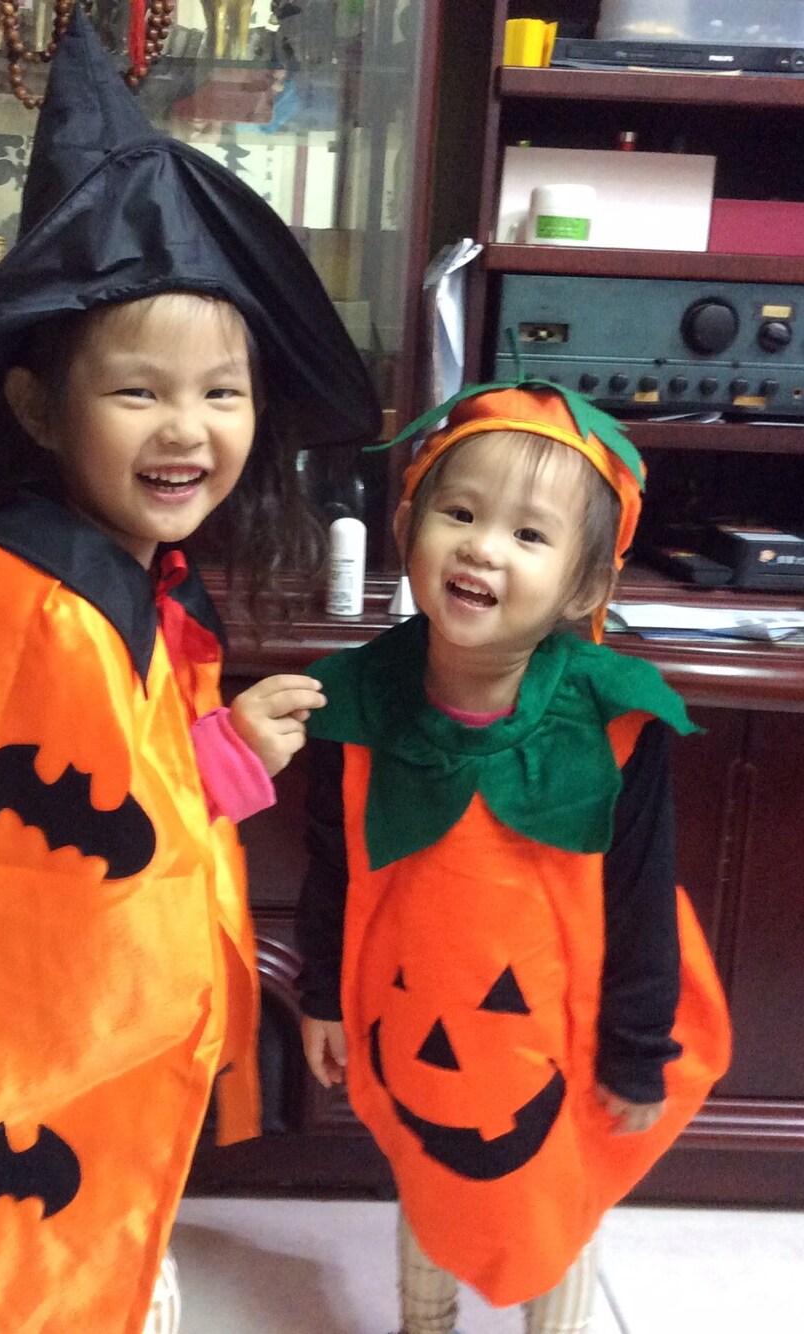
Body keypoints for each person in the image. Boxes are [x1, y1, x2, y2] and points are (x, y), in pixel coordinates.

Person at [0, 10, 380, 1332]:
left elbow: (117, 776)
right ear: (41, 407)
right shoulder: (39, 596)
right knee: (35, 1272)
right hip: (43, 1039)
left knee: (108, 1238)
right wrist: (231, 758)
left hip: (100, 1042)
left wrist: (211, 743)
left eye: (222, 392)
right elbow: (74, 847)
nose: (186, 428)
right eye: (138, 392)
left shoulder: (129, 573)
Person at [297, 381, 731, 1334]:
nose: (483, 547)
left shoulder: (616, 721)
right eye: (459, 514)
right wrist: (321, 991)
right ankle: (425, 1322)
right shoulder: (354, 702)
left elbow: (641, 894)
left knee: (558, 1188)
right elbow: (332, 862)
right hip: (416, 1007)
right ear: (408, 526)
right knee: (430, 1164)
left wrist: (635, 1050)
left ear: (583, 586)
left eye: (529, 534)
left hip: (558, 1023)